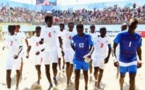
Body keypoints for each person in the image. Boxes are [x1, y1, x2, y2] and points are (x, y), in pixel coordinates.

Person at [113, 18, 142, 90]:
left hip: (133, 60)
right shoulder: (120, 35)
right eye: (131, 26)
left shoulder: (138, 37)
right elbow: (114, 46)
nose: (132, 28)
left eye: (134, 26)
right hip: (122, 60)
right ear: (128, 25)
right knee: (122, 77)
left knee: (132, 79)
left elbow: (138, 49)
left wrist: (140, 60)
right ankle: (121, 88)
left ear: (136, 27)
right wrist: (114, 58)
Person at [39, 15, 60, 90]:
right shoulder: (43, 30)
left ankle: (54, 77)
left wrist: (61, 46)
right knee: (46, 68)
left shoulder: (56, 28)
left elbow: (59, 37)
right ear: (46, 21)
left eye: (52, 20)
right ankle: (50, 83)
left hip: (54, 50)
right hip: (46, 51)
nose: (51, 21)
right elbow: (42, 39)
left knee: (54, 67)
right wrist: (41, 42)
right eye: (50, 20)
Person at [71, 24, 94, 90]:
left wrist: (90, 53)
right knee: (77, 76)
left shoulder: (88, 36)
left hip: (85, 59)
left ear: (83, 29)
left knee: (85, 74)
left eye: (81, 30)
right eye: (78, 30)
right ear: (77, 30)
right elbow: (71, 43)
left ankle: (86, 86)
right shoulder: (74, 37)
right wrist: (75, 50)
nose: (80, 31)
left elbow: (92, 46)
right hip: (77, 59)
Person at [4, 25, 23, 90]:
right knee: (8, 72)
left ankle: (17, 85)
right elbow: (6, 44)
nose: (9, 30)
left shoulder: (18, 36)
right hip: (9, 57)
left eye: (11, 29)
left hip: (17, 57)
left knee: (17, 71)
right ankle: (9, 88)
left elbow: (21, 47)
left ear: (14, 29)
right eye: (8, 29)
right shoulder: (6, 36)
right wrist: (3, 47)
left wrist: (17, 54)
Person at [62, 22, 75, 87]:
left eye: (72, 26)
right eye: (70, 26)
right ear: (68, 26)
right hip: (66, 50)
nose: (71, 27)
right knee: (67, 65)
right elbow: (61, 40)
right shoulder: (64, 32)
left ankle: (69, 78)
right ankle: (68, 79)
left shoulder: (75, 33)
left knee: (71, 65)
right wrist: (62, 49)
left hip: (72, 51)